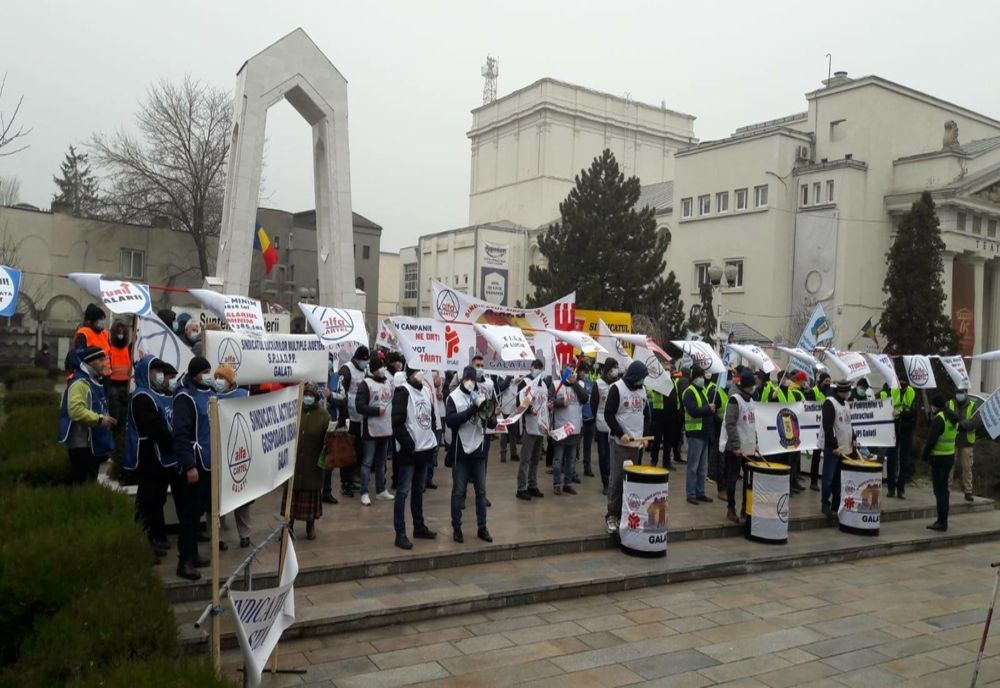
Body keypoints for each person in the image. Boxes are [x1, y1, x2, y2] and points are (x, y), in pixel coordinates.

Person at [123, 355, 178, 558]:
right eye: (156, 371)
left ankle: (155, 537)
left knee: (157, 499)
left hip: (159, 456)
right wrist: (174, 441)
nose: (160, 375)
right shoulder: (142, 397)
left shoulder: (154, 395)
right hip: (148, 456)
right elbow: (154, 428)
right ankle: (143, 543)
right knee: (147, 500)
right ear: (146, 373)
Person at [172, 357, 218, 579]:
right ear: (195, 373)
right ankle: (184, 561)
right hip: (194, 463)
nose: (208, 375)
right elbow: (180, 435)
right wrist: (189, 465)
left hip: (207, 462)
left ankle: (193, 553)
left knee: (198, 511)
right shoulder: (184, 397)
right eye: (205, 371)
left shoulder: (208, 393)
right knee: (189, 514)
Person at [391, 363, 440, 549]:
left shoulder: (426, 390)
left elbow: (431, 417)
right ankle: (400, 533)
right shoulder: (402, 392)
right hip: (409, 452)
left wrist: (432, 438)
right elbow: (397, 422)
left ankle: (419, 527)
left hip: (425, 450)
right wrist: (409, 444)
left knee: (418, 490)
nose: (420, 373)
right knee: (403, 492)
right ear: (410, 373)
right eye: (417, 370)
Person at [446, 365, 491, 544]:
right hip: (461, 451)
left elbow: (492, 420)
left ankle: (482, 526)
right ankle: (457, 527)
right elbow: (450, 421)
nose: (471, 382)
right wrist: (470, 410)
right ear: (463, 379)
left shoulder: (481, 395)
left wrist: (486, 413)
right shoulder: (453, 398)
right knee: (458, 492)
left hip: (478, 449)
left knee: (481, 491)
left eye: (473, 379)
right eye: (468, 379)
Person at [603, 361, 649, 534]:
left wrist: (646, 436)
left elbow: (646, 415)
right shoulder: (617, 389)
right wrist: (620, 432)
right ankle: (612, 515)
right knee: (616, 479)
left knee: (632, 481)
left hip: (637, 444)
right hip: (621, 443)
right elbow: (608, 414)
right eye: (641, 377)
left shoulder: (642, 390)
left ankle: (627, 513)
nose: (642, 381)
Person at [58, 346, 116, 482]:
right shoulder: (80, 382)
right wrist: (100, 419)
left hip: (91, 443)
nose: (104, 364)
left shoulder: (93, 380)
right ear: (91, 362)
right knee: (83, 483)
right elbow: (75, 410)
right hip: (81, 444)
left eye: (105, 359)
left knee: (90, 481)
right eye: (101, 360)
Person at [215, 364, 253, 547]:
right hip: (217, 454)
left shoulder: (243, 395)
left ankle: (245, 534)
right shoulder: (211, 396)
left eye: (221, 377)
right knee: (217, 500)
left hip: (238, 452)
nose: (218, 381)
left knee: (241, 498)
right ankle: (218, 536)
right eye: (216, 377)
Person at [289, 383, 330, 541]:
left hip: (312, 463)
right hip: (294, 463)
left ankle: (310, 525)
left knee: (310, 495)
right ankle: (289, 526)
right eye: (305, 394)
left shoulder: (323, 415)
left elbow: (327, 438)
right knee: (292, 499)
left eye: (311, 395)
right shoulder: (292, 411)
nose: (308, 397)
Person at [355, 355, 395, 506]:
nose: (383, 370)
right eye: (380, 368)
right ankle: (364, 492)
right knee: (367, 462)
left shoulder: (386, 383)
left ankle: (381, 490)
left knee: (381, 462)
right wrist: (376, 411)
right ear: (373, 370)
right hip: (370, 430)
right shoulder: (365, 384)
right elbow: (360, 406)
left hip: (385, 429)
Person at [721, 371, 757, 523]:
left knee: (749, 479)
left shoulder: (751, 400)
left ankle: (745, 507)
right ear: (748, 386)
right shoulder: (735, 400)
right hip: (735, 447)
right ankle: (731, 508)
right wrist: (735, 446)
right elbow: (730, 424)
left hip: (749, 446)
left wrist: (756, 443)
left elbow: (753, 424)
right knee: (733, 478)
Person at [336, 345, 370, 497]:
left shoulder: (365, 371)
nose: (365, 362)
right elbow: (341, 393)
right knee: (347, 452)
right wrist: (344, 417)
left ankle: (354, 479)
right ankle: (346, 482)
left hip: (361, 417)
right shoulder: (346, 369)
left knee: (359, 450)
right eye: (363, 360)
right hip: (349, 416)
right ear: (357, 358)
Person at [821, 380, 856, 519]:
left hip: (845, 448)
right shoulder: (830, 403)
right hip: (834, 448)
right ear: (842, 391)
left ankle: (836, 504)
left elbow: (849, 424)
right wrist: (833, 445)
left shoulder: (846, 404)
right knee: (829, 478)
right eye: (847, 392)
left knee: (839, 479)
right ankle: (825, 503)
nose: (848, 394)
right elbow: (828, 426)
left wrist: (854, 437)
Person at [682, 365, 716, 506]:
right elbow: (694, 411)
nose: (702, 379)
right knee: (693, 466)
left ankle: (700, 492)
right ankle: (691, 493)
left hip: (704, 433)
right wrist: (708, 408)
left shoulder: (702, 390)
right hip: (695, 433)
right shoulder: (689, 392)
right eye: (700, 376)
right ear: (695, 378)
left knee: (703, 467)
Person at [552, 365, 588, 495]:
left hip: (575, 429)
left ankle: (567, 483)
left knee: (571, 459)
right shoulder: (556, 385)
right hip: (561, 429)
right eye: (567, 372)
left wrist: (574, 384)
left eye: (572, 372)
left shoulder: (580, 385)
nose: (570, 375)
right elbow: (549, 402)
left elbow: (584, 398)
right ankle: (557, 483)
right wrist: (561, 403)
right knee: (558, 459)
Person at [924, 395, 959, 532]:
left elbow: (931, 441)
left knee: (939, 492)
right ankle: (943, 520)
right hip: (949, 457)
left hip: (938, 459)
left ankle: (941, 522)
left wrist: (925, 455)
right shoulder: (952, 417)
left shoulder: (939, 419)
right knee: (944, 491)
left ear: (935, 406)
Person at [516, 359, 549, 500]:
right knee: (525, 459)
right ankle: (521, 488)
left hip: (540, 426)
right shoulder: (525, 383)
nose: (538, 371)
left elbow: (545, 402)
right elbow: (520, 403)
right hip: (529, 425)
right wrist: (530, 409)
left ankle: (532, 485)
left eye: (540, 369)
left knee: (536, 459)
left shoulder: (544, 385)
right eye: (536, 368)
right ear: (531, 368)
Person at [591, 358, 620, 495]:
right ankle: (605, 482)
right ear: (608, 369)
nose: (615, 370)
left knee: (615, 455)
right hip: (602, 425)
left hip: (615, 425)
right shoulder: (598, 384)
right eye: (614, 367)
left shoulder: (618, 384)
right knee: (603, 455)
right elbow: (594, 405)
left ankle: (615, 481)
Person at [885, 378, 917, 499]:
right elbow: (886, 408)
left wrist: (900, 413)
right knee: (891, 460)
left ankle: (901, 489)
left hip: (907, 430)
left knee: (904, 461)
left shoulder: (912, 392)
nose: (901, 386)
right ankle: (891, 488)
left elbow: (914, 412)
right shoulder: (892, 391)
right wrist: (905, 411)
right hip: (893, 429)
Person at [948, 388, 981, 503]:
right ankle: (947, 489)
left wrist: (963, 424)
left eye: (961, 392)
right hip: (952, 440)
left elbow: (976, 421)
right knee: (949, 466)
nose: (959, 395)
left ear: (966, 393)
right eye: (957, 392)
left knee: (967, 467)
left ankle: (968, 491)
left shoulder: (973, 405)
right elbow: (946, 417)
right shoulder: (950, 404)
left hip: (966, 442)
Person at [67, 303, 111, 378]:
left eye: (103, 319)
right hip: (91, 374)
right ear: (92, 321)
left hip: (105, 374)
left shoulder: (105, 334)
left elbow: (109, 354)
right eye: (100, 319)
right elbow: (79, 355)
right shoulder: (83, 333)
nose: (102, 322)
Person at [107, 320, 132, 436]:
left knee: (123, 414)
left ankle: (119, 439)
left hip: (125, 385)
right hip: (113, 384)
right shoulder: (110, 348)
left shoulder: (128, 349)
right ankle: (113, 437)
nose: (120, 334)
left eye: (122, 331)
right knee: (114, 413)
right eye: (118, 332)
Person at [807, 372, 832, 491]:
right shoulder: (813, 391)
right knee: (816, 456)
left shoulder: (830, 392)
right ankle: (813, 481)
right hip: (815, 428)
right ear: (821, 381)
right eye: (826, 381)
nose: (827, 384)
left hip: (826, 426)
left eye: (829, 382)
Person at [578, 359, 596, 477]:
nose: (584, 373)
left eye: (586, 371)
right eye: (582, 371)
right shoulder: (576, 384)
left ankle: (587, 467)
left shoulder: (591, 383)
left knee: (588, 445)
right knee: (574, 445)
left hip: (590, 418)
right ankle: (571, 469)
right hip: (579, 419)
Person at [498, 374, 522, 465]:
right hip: (504, 407)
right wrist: (509, 377)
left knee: (513, 432)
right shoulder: (501, 375)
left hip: (514, 407)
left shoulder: (518, 374)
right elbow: (501, 386)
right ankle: (503, 454)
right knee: (504, 432)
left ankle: (513, 453)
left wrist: (519, 381)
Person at [646, 386, 668, 468]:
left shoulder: (668, 382)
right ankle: (654, 460)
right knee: (657, 438)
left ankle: (666, 461)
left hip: (667, 411)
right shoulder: (652, 382)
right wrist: (656, 390)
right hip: (656, 411)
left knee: (667, 439)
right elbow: (648, 393)